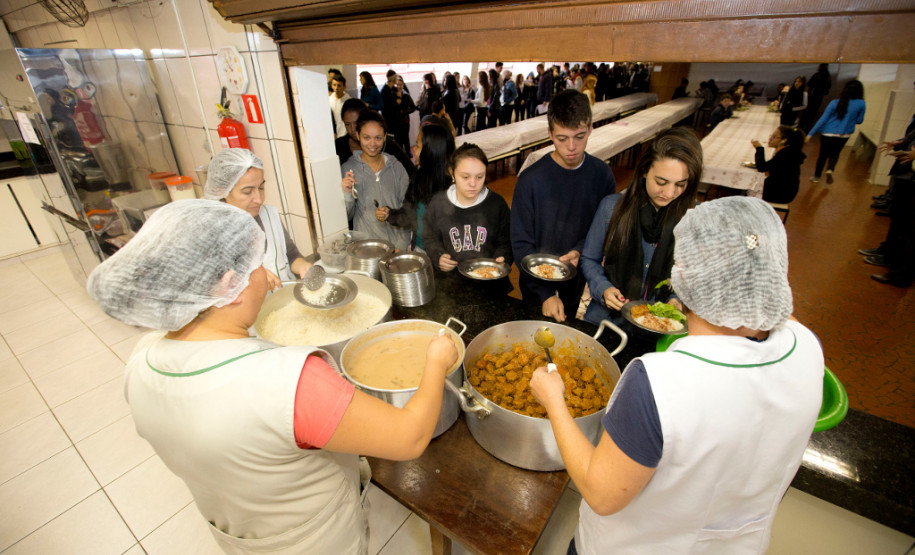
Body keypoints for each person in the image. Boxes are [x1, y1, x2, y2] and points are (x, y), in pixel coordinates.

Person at [87, 199, 458, 554]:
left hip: (241, 535)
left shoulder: (141, 361)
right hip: (317, 540)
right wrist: (436, 361)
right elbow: (409, 438)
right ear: (227, 288)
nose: (266, 278)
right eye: (256, 269)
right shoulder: (290, 381)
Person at [530, 196, 824, 554]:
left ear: (684, 275)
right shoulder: (807, 347)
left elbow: (600, 493)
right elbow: (777, 319)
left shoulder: (659, 383)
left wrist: (554, 400)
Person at [511, 89, 616, 322]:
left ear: (590, 128)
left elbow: (604, 229)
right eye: (562, 138)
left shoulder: (602, 175)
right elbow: (520, 243)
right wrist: (545, 292)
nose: (571, 147)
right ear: (550, 133)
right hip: (534, 285)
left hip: (576, 280)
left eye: (579, 136)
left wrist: (581, 250)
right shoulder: (530, 180)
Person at [580, 128, 702, 326]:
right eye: (661, 182)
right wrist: (603, 287)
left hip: (660, 324)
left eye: (680, 184)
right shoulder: (612, 208)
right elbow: (589, 259)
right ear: (645, 171)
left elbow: (696, 272)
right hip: (608, 319)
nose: (669, 193)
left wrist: (677, 300)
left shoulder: (694, 217)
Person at [204, 148, 310, 287]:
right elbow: (212, 288)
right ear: (223, 191)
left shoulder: (269, 215)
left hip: (285, 301)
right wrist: (252, 278)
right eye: (247, 192)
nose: (259, 199)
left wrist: (303, 266)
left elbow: (292, 255)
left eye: (261, 188)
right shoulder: (211, 231)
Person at [423, 143, 513, 290]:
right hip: (451, 283)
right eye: (465, 177)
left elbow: (507, 242)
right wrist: (438, 256)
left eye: (480, 177)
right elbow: (429, 237)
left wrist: (502, 259)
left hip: (490, 283)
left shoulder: (497, 204)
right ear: (452, 173)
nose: (473, 184)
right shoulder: (438, 203)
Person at [376, 123, 454, 250]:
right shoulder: (419, 178)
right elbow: (409, 214)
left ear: (431, 151)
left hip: (444, 257)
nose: (413, 150)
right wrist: (390, 214)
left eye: (417, 146)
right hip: (419, 249)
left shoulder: (452, 187)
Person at [341, 110, 411, 249]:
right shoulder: (349, 169)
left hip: (396, 247)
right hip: (366, 249)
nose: (372, 144)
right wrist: (347, 194)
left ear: (385, 136)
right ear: (358, 136)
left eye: (378, 138)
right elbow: (347, 216)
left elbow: (408, 209)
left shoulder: (396, 167)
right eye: (367, 137)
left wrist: (401, 246)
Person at [806, 80, 866, 184]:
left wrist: (810, 134)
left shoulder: (835, 102)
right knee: (835, 153)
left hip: (828, 133)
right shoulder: (861, 103)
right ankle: (830, 169)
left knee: (822, 155)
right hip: (844, 134)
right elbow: (859, 120)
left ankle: (816, 177)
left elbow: (823, 119)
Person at [335, 99, 415, 175]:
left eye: (356, 123)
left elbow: (411, 171)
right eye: (347, 124)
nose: (352, 129)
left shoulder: (387, 145)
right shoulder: (339, 146)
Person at [752, 125, 806, 204]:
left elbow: (762, 167)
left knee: (744, 188)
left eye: (774, 137)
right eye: (771, 135)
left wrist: (759, 148)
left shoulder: (785, 154)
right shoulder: (788, 151)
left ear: (783, 140)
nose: (770, 139)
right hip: (783, 191)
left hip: (780, 194)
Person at [801, 63, 832, 132]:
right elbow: (827, 90)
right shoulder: (828, 77)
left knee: (806, 113)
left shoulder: (817, 75)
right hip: (819, 98)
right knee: (812, 114)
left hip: (812, 96)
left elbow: (809, 84)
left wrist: (808, 92)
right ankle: (806, 129)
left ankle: (801, 127)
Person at [329, 73, 351, 139]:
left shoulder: (348, 101)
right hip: (333, 134)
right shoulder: (329, 100)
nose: (336, 88)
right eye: (334, 85)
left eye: (339, 85)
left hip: (345, 134)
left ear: (344, 87)